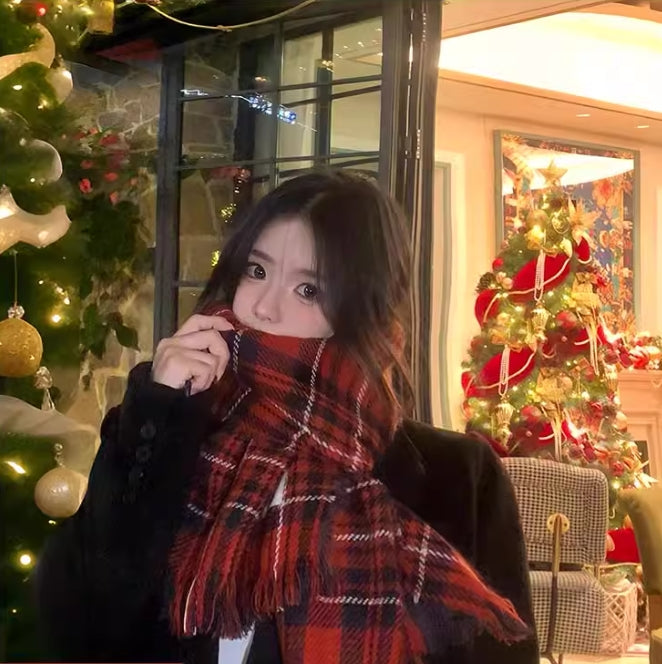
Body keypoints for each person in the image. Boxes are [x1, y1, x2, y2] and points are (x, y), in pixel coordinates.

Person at [36, 171, 538, 663]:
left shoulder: (458, 477)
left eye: (308, 290)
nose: (263, 308)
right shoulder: (175, 432)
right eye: (256, 271)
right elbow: (80, 622)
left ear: (368, 312)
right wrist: (161, 411)